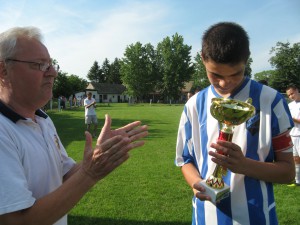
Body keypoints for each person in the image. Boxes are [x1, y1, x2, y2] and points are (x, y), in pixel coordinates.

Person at [0, 26, 148, 225]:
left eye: (51, 65)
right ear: (3, 71)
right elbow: (15, 221)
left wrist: (98, 154)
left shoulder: (42, 119)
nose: (53, 73)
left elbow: (64, 174)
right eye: (40, 65)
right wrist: (90, 174)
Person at [175, 22, 295, 225]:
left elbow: (288, 173)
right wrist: (196, 184)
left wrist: (244, 165)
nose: (224, 83)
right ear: (203, 58)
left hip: (256, 218)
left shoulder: (271, 101)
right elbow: (184, 160)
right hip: (206, 218)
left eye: (235, 74)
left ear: (246, 60)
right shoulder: (193, 105)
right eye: (216, 75)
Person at [286, 84, 300, 186]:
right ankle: (297, 181)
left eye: (292, 93)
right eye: (289, 95)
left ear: (297, 90)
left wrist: (291, 118)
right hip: (293, 134)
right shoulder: (290, 105)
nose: (291, 96)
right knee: (295, 159)